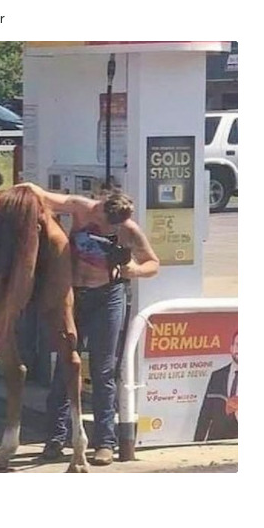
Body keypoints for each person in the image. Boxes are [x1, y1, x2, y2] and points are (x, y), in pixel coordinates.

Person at [26, 183, 160, 466]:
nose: (97, 220)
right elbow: (44, 197)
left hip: (107, 295)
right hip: (73, 295)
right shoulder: (81, 208)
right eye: (97, 214)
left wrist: (134, 270)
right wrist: (23, 189)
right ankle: (55, 437)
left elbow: (153, 263)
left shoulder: (128, 230)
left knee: (102, 369)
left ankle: (105, 442)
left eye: (104, 223)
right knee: (65, 364)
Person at [194, 332, 238, 441]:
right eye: (237, 345)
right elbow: (205, 414)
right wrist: (197, 443)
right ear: (231, 348)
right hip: (216, 442)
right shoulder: (217, 376)